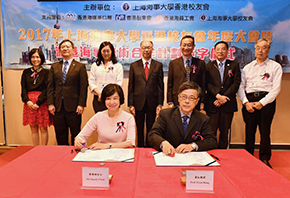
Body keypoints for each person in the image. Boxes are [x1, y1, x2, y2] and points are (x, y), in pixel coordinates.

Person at [238, 38, 283, 168]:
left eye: (264, 47)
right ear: (255, 49)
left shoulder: (275, 66)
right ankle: (248, 157)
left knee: (265, 131)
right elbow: (241, 87)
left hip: (266, 102)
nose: (260, 50)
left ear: (268, 50)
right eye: (258, 48)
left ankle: (264, 158)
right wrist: (246, 102)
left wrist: (262, 103)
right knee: (249, 131)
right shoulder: (247, 67)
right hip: (249, 102)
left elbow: (276, 89)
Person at [148, 81, 217, 155]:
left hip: (192, 159)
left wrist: (192, 146)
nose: (187, 101)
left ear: (197, 101)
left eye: (191, 98)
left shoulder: (203, 119)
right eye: (184, 97)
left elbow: (212, 140)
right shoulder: (165, 114)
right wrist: (163, 143)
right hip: (170, 156)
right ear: (178, 98)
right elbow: (153, 134)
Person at [47, 39, 88, 145]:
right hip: (58, 106)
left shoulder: (80, 67)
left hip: (74, 106)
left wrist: (81, 104)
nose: (65, 49)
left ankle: (76, 156)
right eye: (63, 47)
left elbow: (83, 87)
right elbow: (50, 87)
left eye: (68, 47)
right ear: (59, 50)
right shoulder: (54, 66)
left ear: (73, 50)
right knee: (60, 134)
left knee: (76, 134)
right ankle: (62, 157)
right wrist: (50, 103)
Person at [75, 84, 136, 150]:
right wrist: (78, 140)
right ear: (104, 100)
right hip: (101, 155)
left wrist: (107, 145)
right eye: (108, 99)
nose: (111, 102)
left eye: (115, 98)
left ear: (120, 99)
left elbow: (130, 143)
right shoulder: (98, 116)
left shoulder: (128, 118)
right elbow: (81, 136)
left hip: (122, 155)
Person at [205, 41, 241, 149]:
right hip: (213, 103)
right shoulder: (209, 66)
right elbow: (207, 84)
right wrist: (217, 96)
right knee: (211, 132)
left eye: (223, 49)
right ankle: (212, 153)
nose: (220, 51)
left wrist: (223, 97)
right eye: (218, 49)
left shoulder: (234, 65)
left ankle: (224, 155)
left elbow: (236, 83)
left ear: (227, 51)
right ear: (214, 51)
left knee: (225, 132)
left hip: (227, 104)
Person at [128, 40, 164, 147]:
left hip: (152, 102)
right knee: (138, 128)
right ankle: (139, 148)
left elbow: (160, 86)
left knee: (151, 128)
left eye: (149, 47)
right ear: (140, 49)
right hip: (138, 102)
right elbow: (131, 86)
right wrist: (131, 104)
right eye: (144, 47)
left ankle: (149, 148)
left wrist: (160, 104)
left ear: (152, 49)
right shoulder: (134, 65)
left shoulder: (158, 65)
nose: (146, 50)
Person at [21, 48, 53, 146]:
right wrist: (27, 101)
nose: (35, 59)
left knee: (43, 127)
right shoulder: (26, 72)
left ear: (41, 58)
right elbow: (23, 89)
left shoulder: (47, 72)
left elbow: (47, 89)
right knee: (33, 128)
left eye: (37, 57)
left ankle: (43, 149)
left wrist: (38, 103)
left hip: (42, 103)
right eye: (33, 57)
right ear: (30, 58)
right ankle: (35, 149)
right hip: (29, 103)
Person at [167, 35, 206, 110]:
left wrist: (202, 101)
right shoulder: (173, 63)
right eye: (184, 45)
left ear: (193, 46)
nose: (186, 48)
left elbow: (203, 84)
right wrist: (170, 101)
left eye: (189, 45)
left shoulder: (200, 63)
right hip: (177, 100)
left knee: (194, 121)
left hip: (194, 100)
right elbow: (170, 84)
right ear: (180, 46)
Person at [89, 41, 123, 113]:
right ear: (100, 52)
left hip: (113, 99)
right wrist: (100, 94)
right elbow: (91, 82)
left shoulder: (118, 66)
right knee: (100, 120)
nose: (106, 53)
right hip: (98, 98)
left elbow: (119, 83)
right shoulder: (95, 65)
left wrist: (109, 95)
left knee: (113, 120)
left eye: (108, 51)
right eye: (104, 51)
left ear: (112, 52)